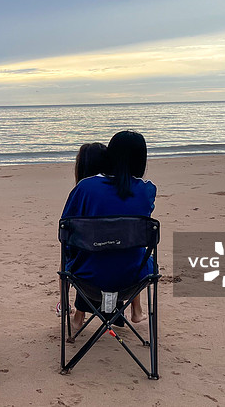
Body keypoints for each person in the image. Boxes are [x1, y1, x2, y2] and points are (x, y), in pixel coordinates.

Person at [61, 131, 156, 333]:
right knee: (133, 251)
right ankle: (136, 309)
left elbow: (65, 232)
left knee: (88, 251)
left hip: (87, 278)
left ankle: (76, 313)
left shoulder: (85, 188)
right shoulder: (147, 190)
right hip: (133, 279)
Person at [56, 143, 108, 317]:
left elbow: (64, 230)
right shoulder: (119, 192)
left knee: (71, 256)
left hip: (86, 271)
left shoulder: (81, 191)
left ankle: (64, 305)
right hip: (128, 273)